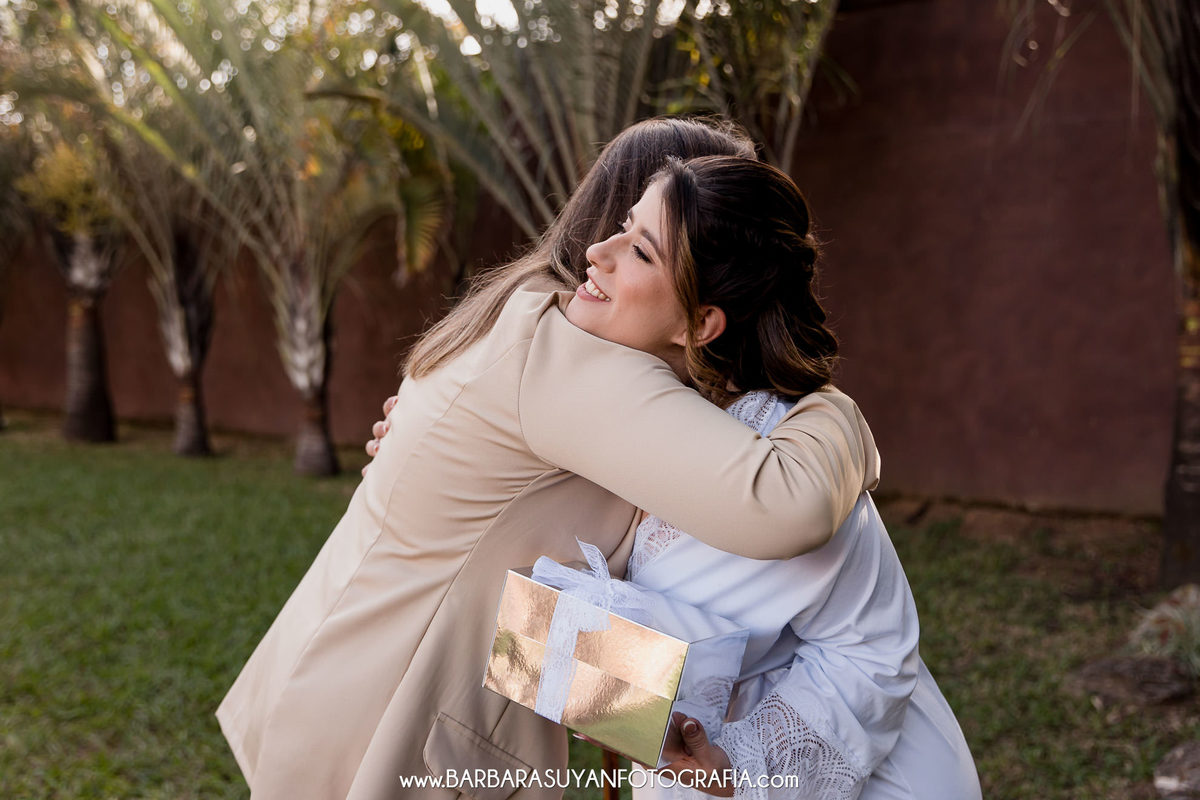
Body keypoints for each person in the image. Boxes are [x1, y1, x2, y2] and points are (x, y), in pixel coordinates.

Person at [218, 121, 879, 800]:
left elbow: (524, 608)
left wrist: (658, 726)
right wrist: (829, 399)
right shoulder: (578, 365)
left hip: (343, 674)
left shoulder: (521, 308)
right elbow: (790, 503)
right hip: (390, 718)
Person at [366, 157, 982, 800]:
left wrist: (738, 766)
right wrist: (420, 442)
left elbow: (872, 648)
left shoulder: (776, 459)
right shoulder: (579, 416)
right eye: (620, 227)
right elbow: (555, 627)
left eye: (640, 250)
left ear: (700, 323)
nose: (595, 254)